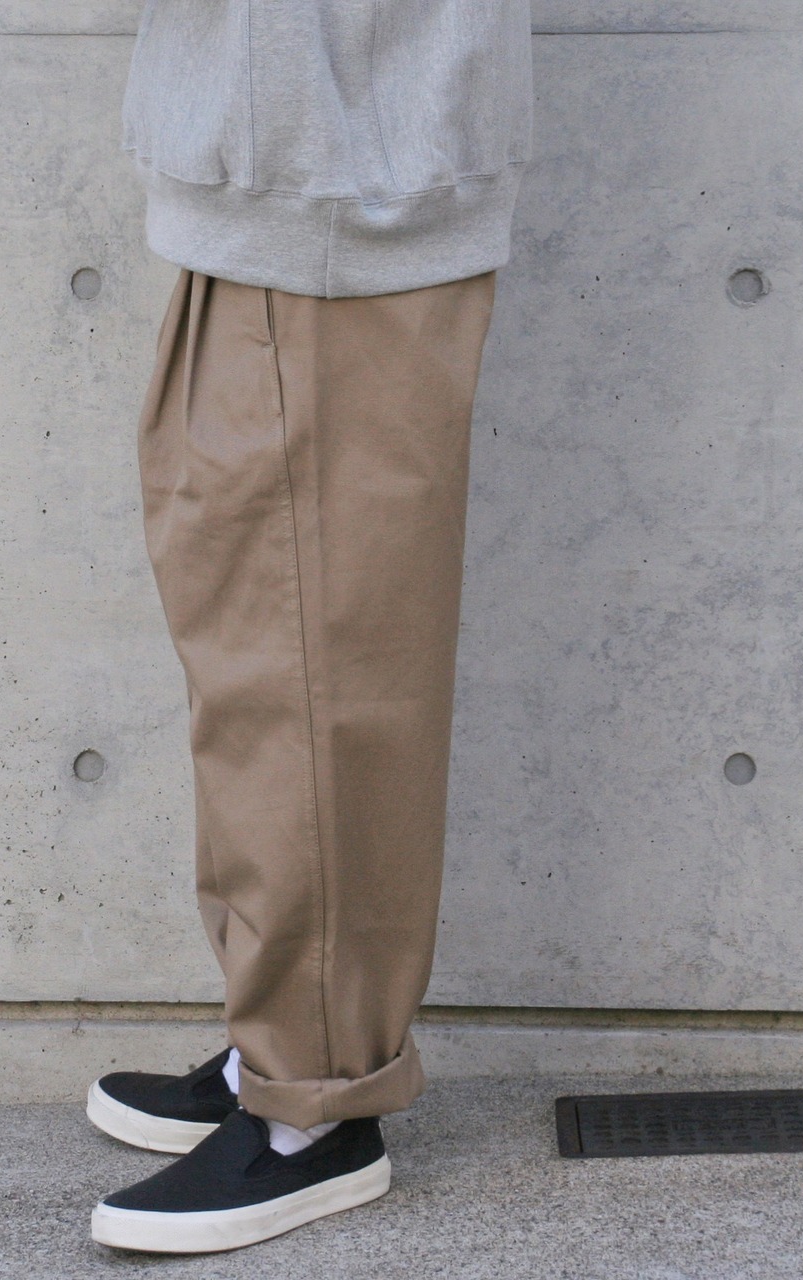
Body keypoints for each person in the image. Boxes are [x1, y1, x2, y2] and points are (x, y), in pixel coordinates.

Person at [87, 0, 534, 1254]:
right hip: (287, 172)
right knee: (257, 658)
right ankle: (273, 1047)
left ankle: (313, 1104)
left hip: (338, 181)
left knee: (308, 677)